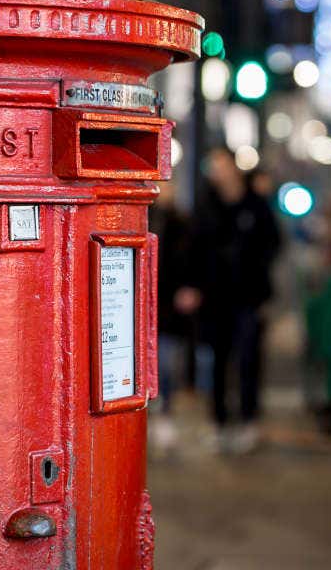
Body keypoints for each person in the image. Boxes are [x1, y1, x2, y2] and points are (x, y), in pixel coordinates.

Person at [190, 147, 281, 453]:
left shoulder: (256, 206)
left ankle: (248, 420)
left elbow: (272, 245)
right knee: (216, 359)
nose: (218, 172)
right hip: (215, 297)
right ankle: (218, 421)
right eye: (213, 166)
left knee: (248, 359)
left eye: (222, 165)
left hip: (249, 296)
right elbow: (196, 249)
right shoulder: (206, 206)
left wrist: (262, 290)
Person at [147, 181, 200, 455]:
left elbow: (194, 261)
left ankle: (164, 414)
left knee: (165, 364)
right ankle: (151, 415)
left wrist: (191, 289)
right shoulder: (145, 215)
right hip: (145, 302)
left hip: (169, 306)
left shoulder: (182, 223)